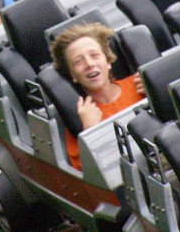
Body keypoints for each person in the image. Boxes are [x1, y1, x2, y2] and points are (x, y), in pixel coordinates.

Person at [50, 23, 145, 170]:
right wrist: (91, 132)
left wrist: (155, 95)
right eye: (78, 62)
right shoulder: (80, 117)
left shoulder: (139, 85)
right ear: (72, 75)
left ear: (107, 61)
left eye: (94, 55)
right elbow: (90, 176)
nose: (89, 64)